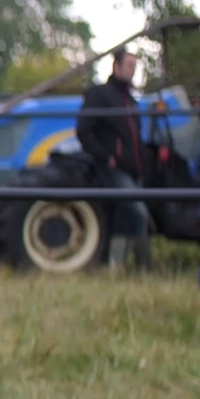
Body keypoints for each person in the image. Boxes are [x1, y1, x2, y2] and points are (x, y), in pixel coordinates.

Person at [75, 48, 152, 270]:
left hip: (133, 168)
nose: (133, 70)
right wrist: (105, 155)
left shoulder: (130, 100)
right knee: (139, 215)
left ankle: (115, 266)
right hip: (114, 167)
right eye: (129, 65)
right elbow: (84, 131)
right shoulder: (100, 95)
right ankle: (144, 267)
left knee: (124, 217)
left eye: (135, 66)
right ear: (116, 66)